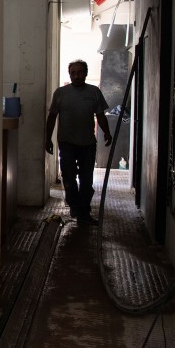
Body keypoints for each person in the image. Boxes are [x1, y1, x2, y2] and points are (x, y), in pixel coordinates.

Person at [45, 59, 112, 224]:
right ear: (69, 74)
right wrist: (48, 138)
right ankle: (74, 205)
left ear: (86, 73)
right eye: (73, 73)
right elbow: (52, 117)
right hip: (67, 142)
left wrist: (108, 133)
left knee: (86, 179)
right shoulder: (60, 93)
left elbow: (101, 115)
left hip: (87, 143)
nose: (76, 76)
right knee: (68, 176)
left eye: (80, 72)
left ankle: (84, 213)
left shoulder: (94, 92)